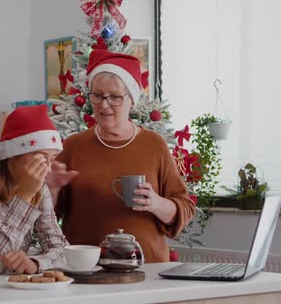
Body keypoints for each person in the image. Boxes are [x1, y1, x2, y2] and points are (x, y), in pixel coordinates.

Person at [47, 50, 196, 263]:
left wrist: (155, 203)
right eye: (97, 95)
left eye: (114, 97)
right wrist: (52, 189)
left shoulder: (154, 145)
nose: (104, 104)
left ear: (132, 101)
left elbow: (185, 208)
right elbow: (48, 220)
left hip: (147, 272)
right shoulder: (73, 146)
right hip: (87, 272)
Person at [0, 105, 69, 274]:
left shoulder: (41, 190)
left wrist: (35, 263)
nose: (47, 169)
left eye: (52, 159)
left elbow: (62, 249)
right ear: (13, 156)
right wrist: (25, 196)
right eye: (41, 158)